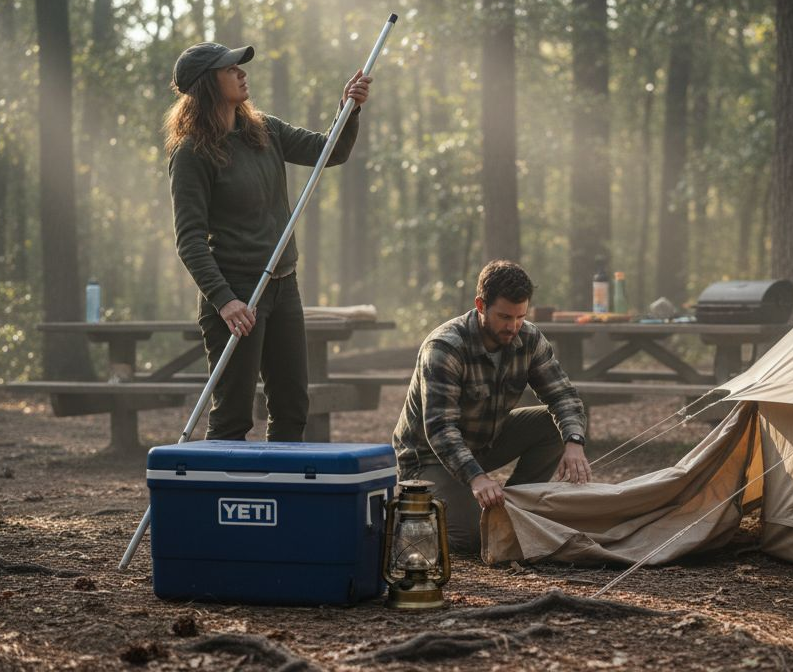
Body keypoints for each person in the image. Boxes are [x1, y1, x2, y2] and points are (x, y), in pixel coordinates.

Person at [165, 42, 371, 441]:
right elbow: (189, 239)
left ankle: (280, 498)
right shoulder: (192, 153)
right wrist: (225, 301)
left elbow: (329, 151)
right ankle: (222, 499)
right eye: (231, 68)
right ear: (207, 83)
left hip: (283, 285)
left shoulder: (265, 130)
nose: (242, 72)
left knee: (293, 408)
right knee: (233, 416)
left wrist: (350, 108)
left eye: (240, 66)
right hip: (237, 294)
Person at [392, 259, 592, 552]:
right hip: (428, 457)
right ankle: (416, 514)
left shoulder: (529, 337)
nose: (513, 327)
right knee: (473, 540)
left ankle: (514, 507)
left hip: (484, 442)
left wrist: (574, 441)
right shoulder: (444, 347)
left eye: (520, 316)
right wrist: (477, 478)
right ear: (481, 305)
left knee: (555, 426)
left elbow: (563, 396)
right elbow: (440, 430)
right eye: (504, 317)